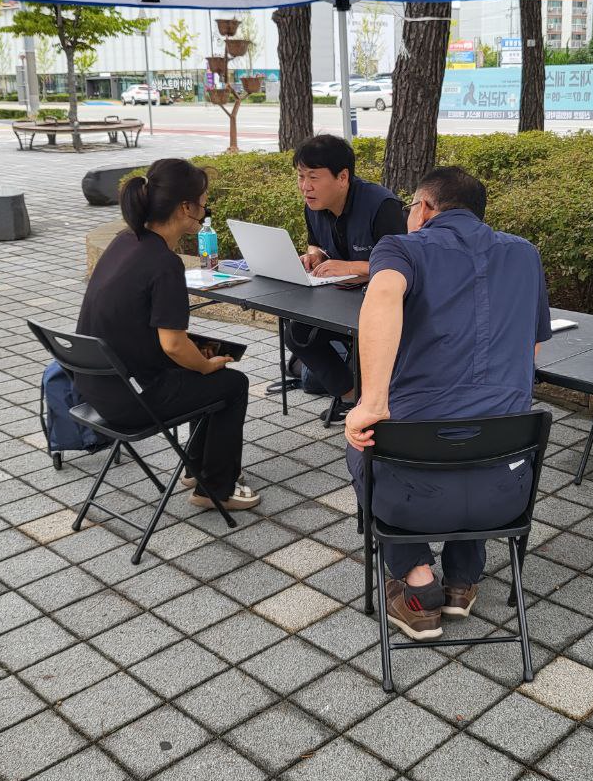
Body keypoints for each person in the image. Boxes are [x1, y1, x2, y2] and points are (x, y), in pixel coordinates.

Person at [345, 166, 552, 641]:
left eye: (411, 206)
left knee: (364, 439)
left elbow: (381, 295)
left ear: (425, 207)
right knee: (480, 431)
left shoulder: (401, 246)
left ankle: (417, 584)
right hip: (506, 495)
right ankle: (463, 582)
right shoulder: (524, 254)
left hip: (411, 498)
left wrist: (370, 402)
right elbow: (532, 349)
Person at [74, 158, 260, 512]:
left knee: (200, 370)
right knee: (230, 384)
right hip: (131, 400)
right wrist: (206, 367)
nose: (205, 210)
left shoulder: (125, 241)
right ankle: (214, 489)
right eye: (203, 202)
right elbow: (173, 344)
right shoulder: (164, 263)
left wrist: (199, 362)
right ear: (185, 207)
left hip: (96, 387)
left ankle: (197, 469)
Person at [285, 134, 406, 409]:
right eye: (301, 177)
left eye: (313, 177)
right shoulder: (313, 207)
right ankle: (351, 395)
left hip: (384, 305)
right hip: (339, 297)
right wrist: (314, 256)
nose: (305, 187)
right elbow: (315, 242)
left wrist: (351, 267)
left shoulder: (382, 206)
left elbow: (406, 266)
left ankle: (374, 398)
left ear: (342, 177)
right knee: (297, 333)